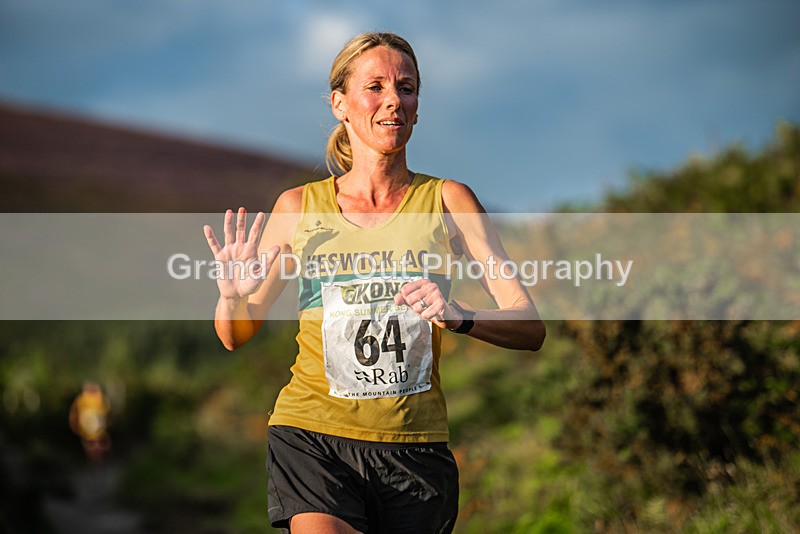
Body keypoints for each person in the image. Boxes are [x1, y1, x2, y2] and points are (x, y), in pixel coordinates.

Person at [203, 32, 545, 534]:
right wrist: (231, 296)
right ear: (340, 103)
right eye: (376, 86)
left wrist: (459, 315)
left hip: (414, 448)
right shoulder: (299, 207)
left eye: (406, 88)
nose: (393, 101)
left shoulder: (449, 200)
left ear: (417, 106)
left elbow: (529, 325)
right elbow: (236, 334)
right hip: (312, 433)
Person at [69, 381, 112, 466]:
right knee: (98, 444)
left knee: (93, 445)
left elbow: (74, 413)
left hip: (90, 426)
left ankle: (96, 463)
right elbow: (108, 412)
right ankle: (98, 463)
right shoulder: (97, 398)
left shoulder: (82, 398)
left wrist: (74, 426)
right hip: (94, 426)